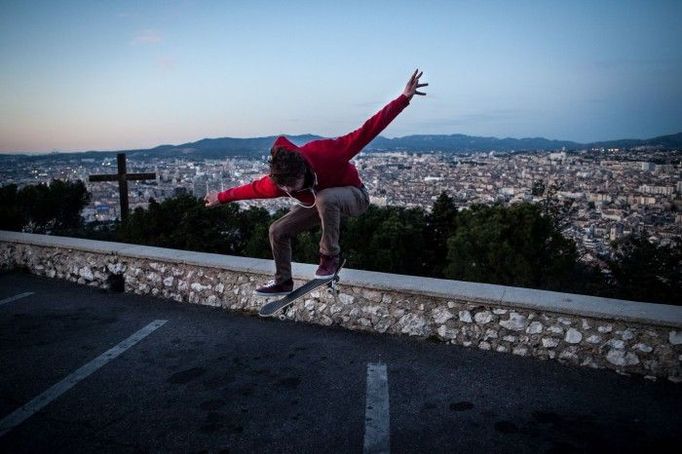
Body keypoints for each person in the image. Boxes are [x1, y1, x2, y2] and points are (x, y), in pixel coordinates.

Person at [204, 70, 428, 296]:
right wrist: (220, 198)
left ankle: (329, 256)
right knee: (277, 230)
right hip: (319, 204)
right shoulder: (280, 183)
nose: (291, 190)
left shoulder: (328, 153)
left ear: (304, 169)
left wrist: (403, 99)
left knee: (324, 197)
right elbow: (250, 190)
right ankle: (283, 281)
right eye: (286, 187)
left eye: (294, 184)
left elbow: (368, 130)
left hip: (355, 196)